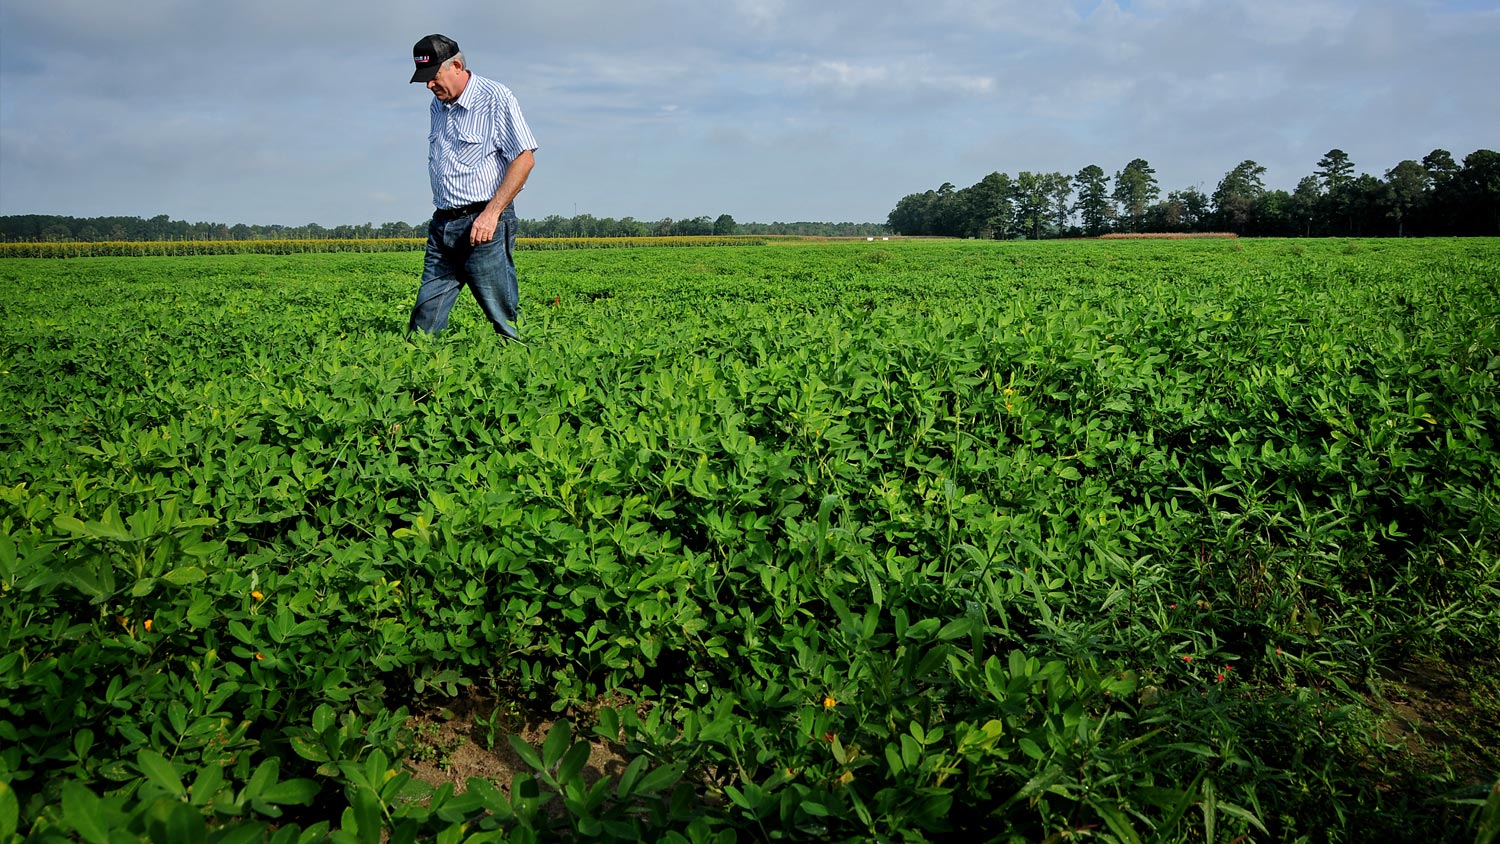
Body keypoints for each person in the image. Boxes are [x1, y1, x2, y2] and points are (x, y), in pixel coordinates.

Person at [408, 34, 538, 339]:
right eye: (425, 79)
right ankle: (419, 379)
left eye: (434, 77)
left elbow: (524, 158)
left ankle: (524, 372)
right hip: (443, 224)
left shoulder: (495, 97)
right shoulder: (437, 105)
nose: (429, 86)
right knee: (425, 317)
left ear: (456, 65)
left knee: (503, 317)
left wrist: (492, 214)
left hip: (484, 225)